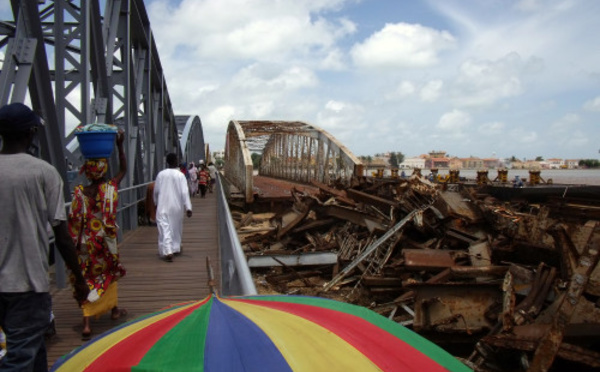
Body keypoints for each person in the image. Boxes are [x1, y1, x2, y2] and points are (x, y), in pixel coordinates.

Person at [0, 102, 89, 371]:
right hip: (26, 283)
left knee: (35, 349)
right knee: (20, 358)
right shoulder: (43, 172)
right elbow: (61, 235)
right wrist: (79, 279)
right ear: (30, 133)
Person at [68, 129, 128, 340]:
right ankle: (113, 310)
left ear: (88, 171)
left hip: (86, 243)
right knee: (109, 272)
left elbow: (73, 220)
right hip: (105, 241)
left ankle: (86, 323)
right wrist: (120, 145)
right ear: (102, 170)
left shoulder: (80, 193)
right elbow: (124, 169)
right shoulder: (110, 187)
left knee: (86, 277)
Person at [154, 153, 192, 262]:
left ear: (167, 162)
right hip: (177, 207)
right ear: (176, 161)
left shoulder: (161, 175)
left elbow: (156, 191)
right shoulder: (180, 175)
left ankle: (168, 250)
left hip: (163, 205)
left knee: (165, 228)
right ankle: (175, 247)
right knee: (176, 228)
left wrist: (156, 202)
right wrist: (188, 207)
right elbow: (185, 192)